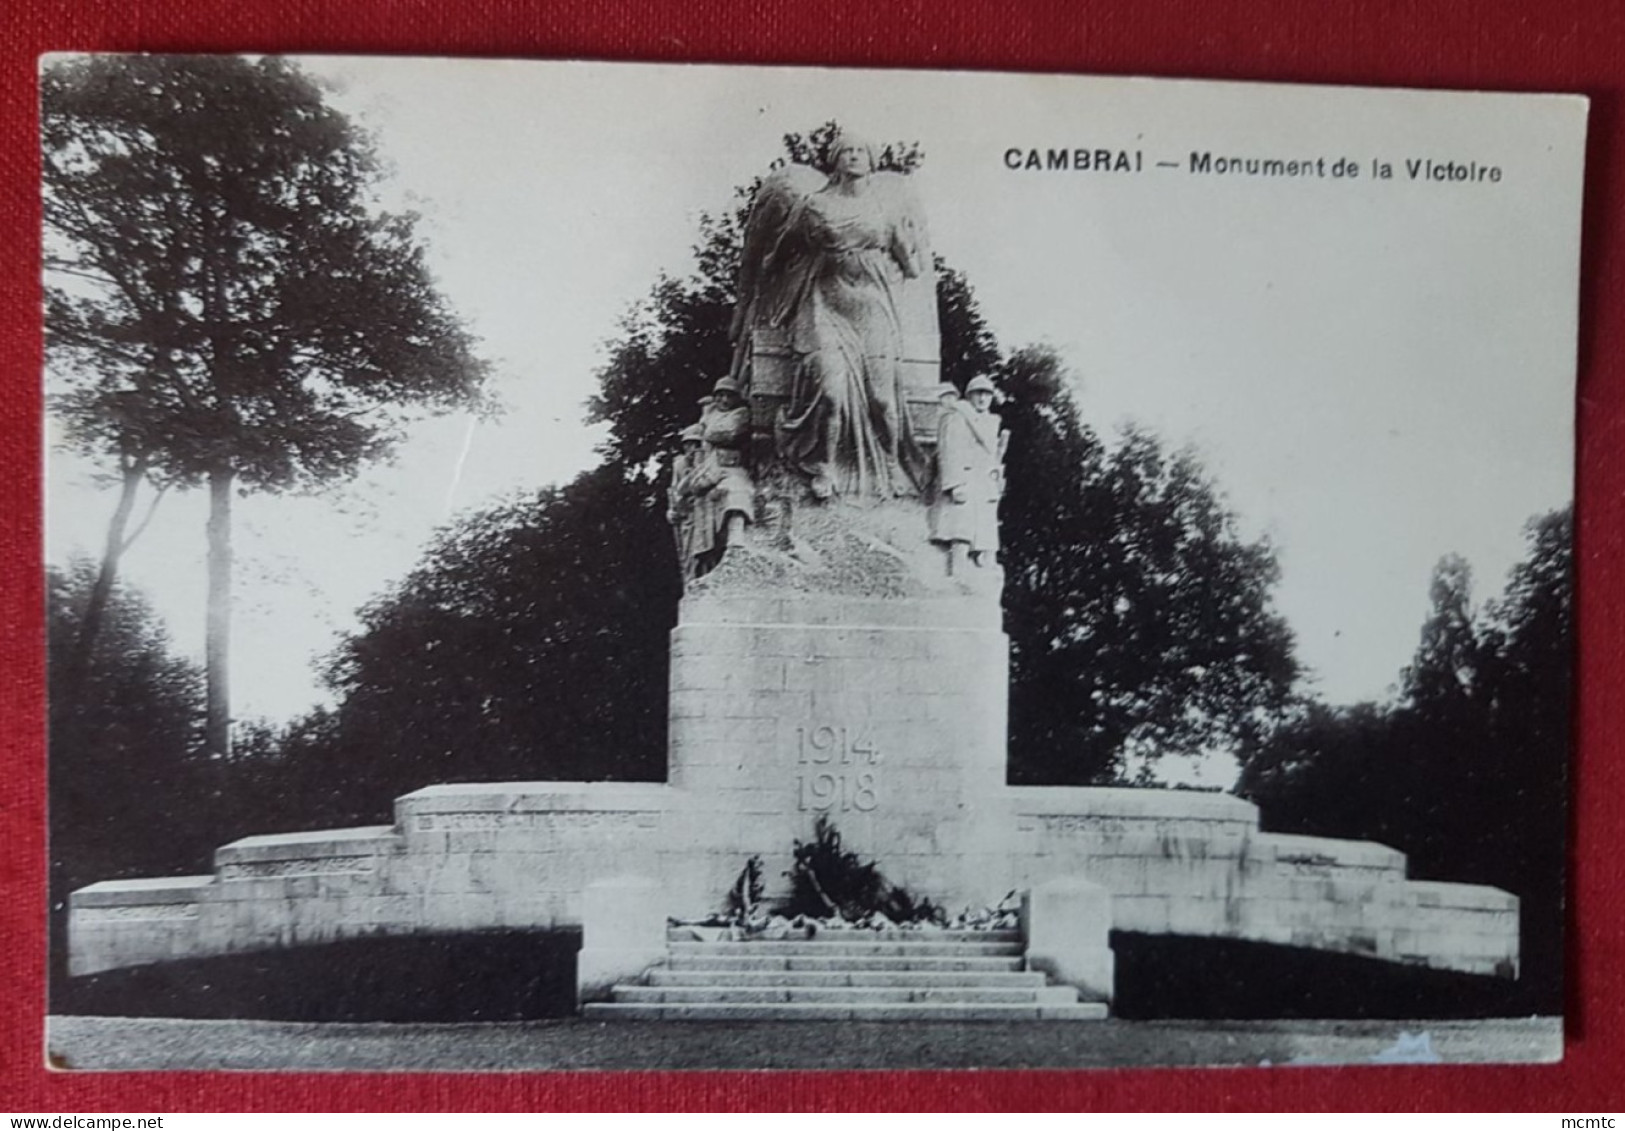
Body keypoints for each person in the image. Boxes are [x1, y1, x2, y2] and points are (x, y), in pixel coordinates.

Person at [763, 134, 929, 502]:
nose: (854, 157)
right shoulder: (815, 206)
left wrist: (909, 242)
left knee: (884, 399)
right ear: (836, 160)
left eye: (861, 151)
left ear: (872, 160)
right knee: (831, 393)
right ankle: (825, 465)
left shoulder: (884, 209)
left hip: (872, 308)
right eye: (847, 151)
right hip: (825, 304)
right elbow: (779, 251)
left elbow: (912, 267)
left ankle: (890, 463)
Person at [929, 375, 1005, 575]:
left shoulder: (991, 421)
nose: (982, 398)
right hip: (965, 479)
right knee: (960, 530)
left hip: (984, 481)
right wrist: (954, 484)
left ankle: (983, 570)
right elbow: (949, 451)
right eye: (978, 393)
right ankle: (958, 571)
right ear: (969, 395)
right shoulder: (957, 416)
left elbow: (992, 456)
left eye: (987, 394)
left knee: (986, 532)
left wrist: (996, 478)